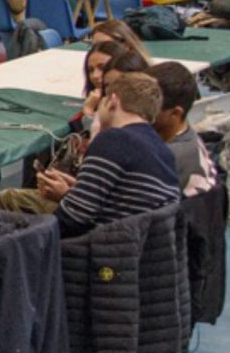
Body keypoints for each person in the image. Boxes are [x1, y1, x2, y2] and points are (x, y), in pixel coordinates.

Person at [40, 72, 181, 237]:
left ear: (112, 101)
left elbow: (73, 218)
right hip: (137, 250)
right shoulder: (163, 150)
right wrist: (77, 190)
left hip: (101, 252)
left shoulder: (113, 140)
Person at [148, 62, 218, 195]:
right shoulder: (190, 139)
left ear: (175, 114)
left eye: (149, 107)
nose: (139, 111)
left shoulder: (167, 158)